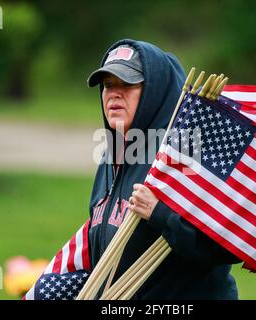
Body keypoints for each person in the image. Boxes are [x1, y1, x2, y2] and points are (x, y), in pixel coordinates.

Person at [24, 39, 241, 300]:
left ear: (154, 92)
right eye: (107, 85)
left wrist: (161, 213)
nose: (114, 93)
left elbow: (224, 247)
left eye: (127, 84)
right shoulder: (112, 153)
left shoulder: (185, 152)